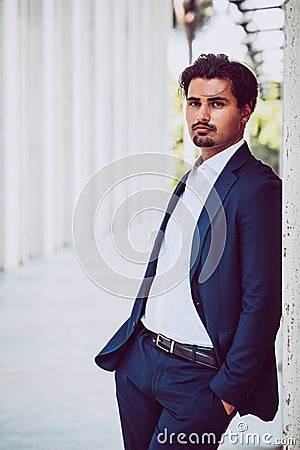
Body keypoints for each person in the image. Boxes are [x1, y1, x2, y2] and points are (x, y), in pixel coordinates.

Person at [95, 53, 282, 449]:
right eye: (195, 102)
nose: (202, 114)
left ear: (246, 111)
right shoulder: (192, 175)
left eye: (217, 103)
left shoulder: (258, 189)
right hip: (141, 361)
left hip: (198, 380)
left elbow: (263, 303)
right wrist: (134, 354)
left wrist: (228, 394)